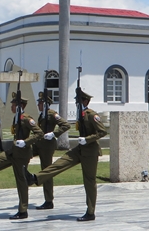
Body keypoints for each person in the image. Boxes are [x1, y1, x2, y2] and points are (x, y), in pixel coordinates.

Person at [25, 89, 108, 221]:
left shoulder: (91, 115)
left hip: (90, 151)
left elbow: (103, 131)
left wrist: (88, 139)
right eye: (76, 101)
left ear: (85, 101)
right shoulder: (80, 114)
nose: (76, 103)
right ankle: (35, 178)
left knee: (89, 181)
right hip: (80, 149)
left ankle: (90, 212)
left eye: (78, 101)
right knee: (61, 162)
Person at [32, 91, 70, 210]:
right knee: (21, 154)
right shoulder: (42, 114)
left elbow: (66, 125)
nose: (38, 104)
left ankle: (49, 200)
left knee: (47, 171)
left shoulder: (52, 114)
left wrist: (54, 134)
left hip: (47, 146)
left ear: (45, 103)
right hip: (38, 144)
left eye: (40, 102)